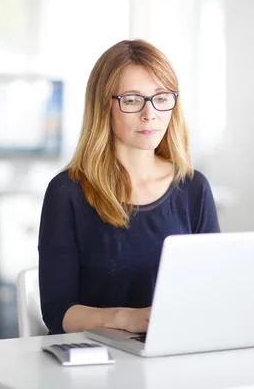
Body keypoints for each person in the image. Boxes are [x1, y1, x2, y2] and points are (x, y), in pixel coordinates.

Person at [38, 39, 220, 335]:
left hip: (178, 354)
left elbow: (213, 291)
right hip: (98, 361)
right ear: (103, 106)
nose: (150, 114)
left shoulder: (193, 187)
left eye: (161, 98)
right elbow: (58, 313)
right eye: (132, 100)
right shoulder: (67, 192)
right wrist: (126, 319)